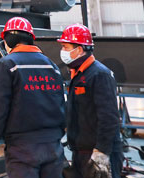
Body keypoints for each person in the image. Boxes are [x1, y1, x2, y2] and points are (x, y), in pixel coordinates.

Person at [0, 16, 66, 177]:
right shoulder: (51, 66)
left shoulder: (8, 64)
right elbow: (61, 103)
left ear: (9, 39)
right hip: (53, 145)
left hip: (23, 148)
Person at [58, 24, 123, 178]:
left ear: (79, 49)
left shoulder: (99, 75)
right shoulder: (78, 74)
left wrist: (101, 152)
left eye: (66, 47)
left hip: (98, 153)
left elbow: (109, 117)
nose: (63, 51)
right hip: (81, 152)